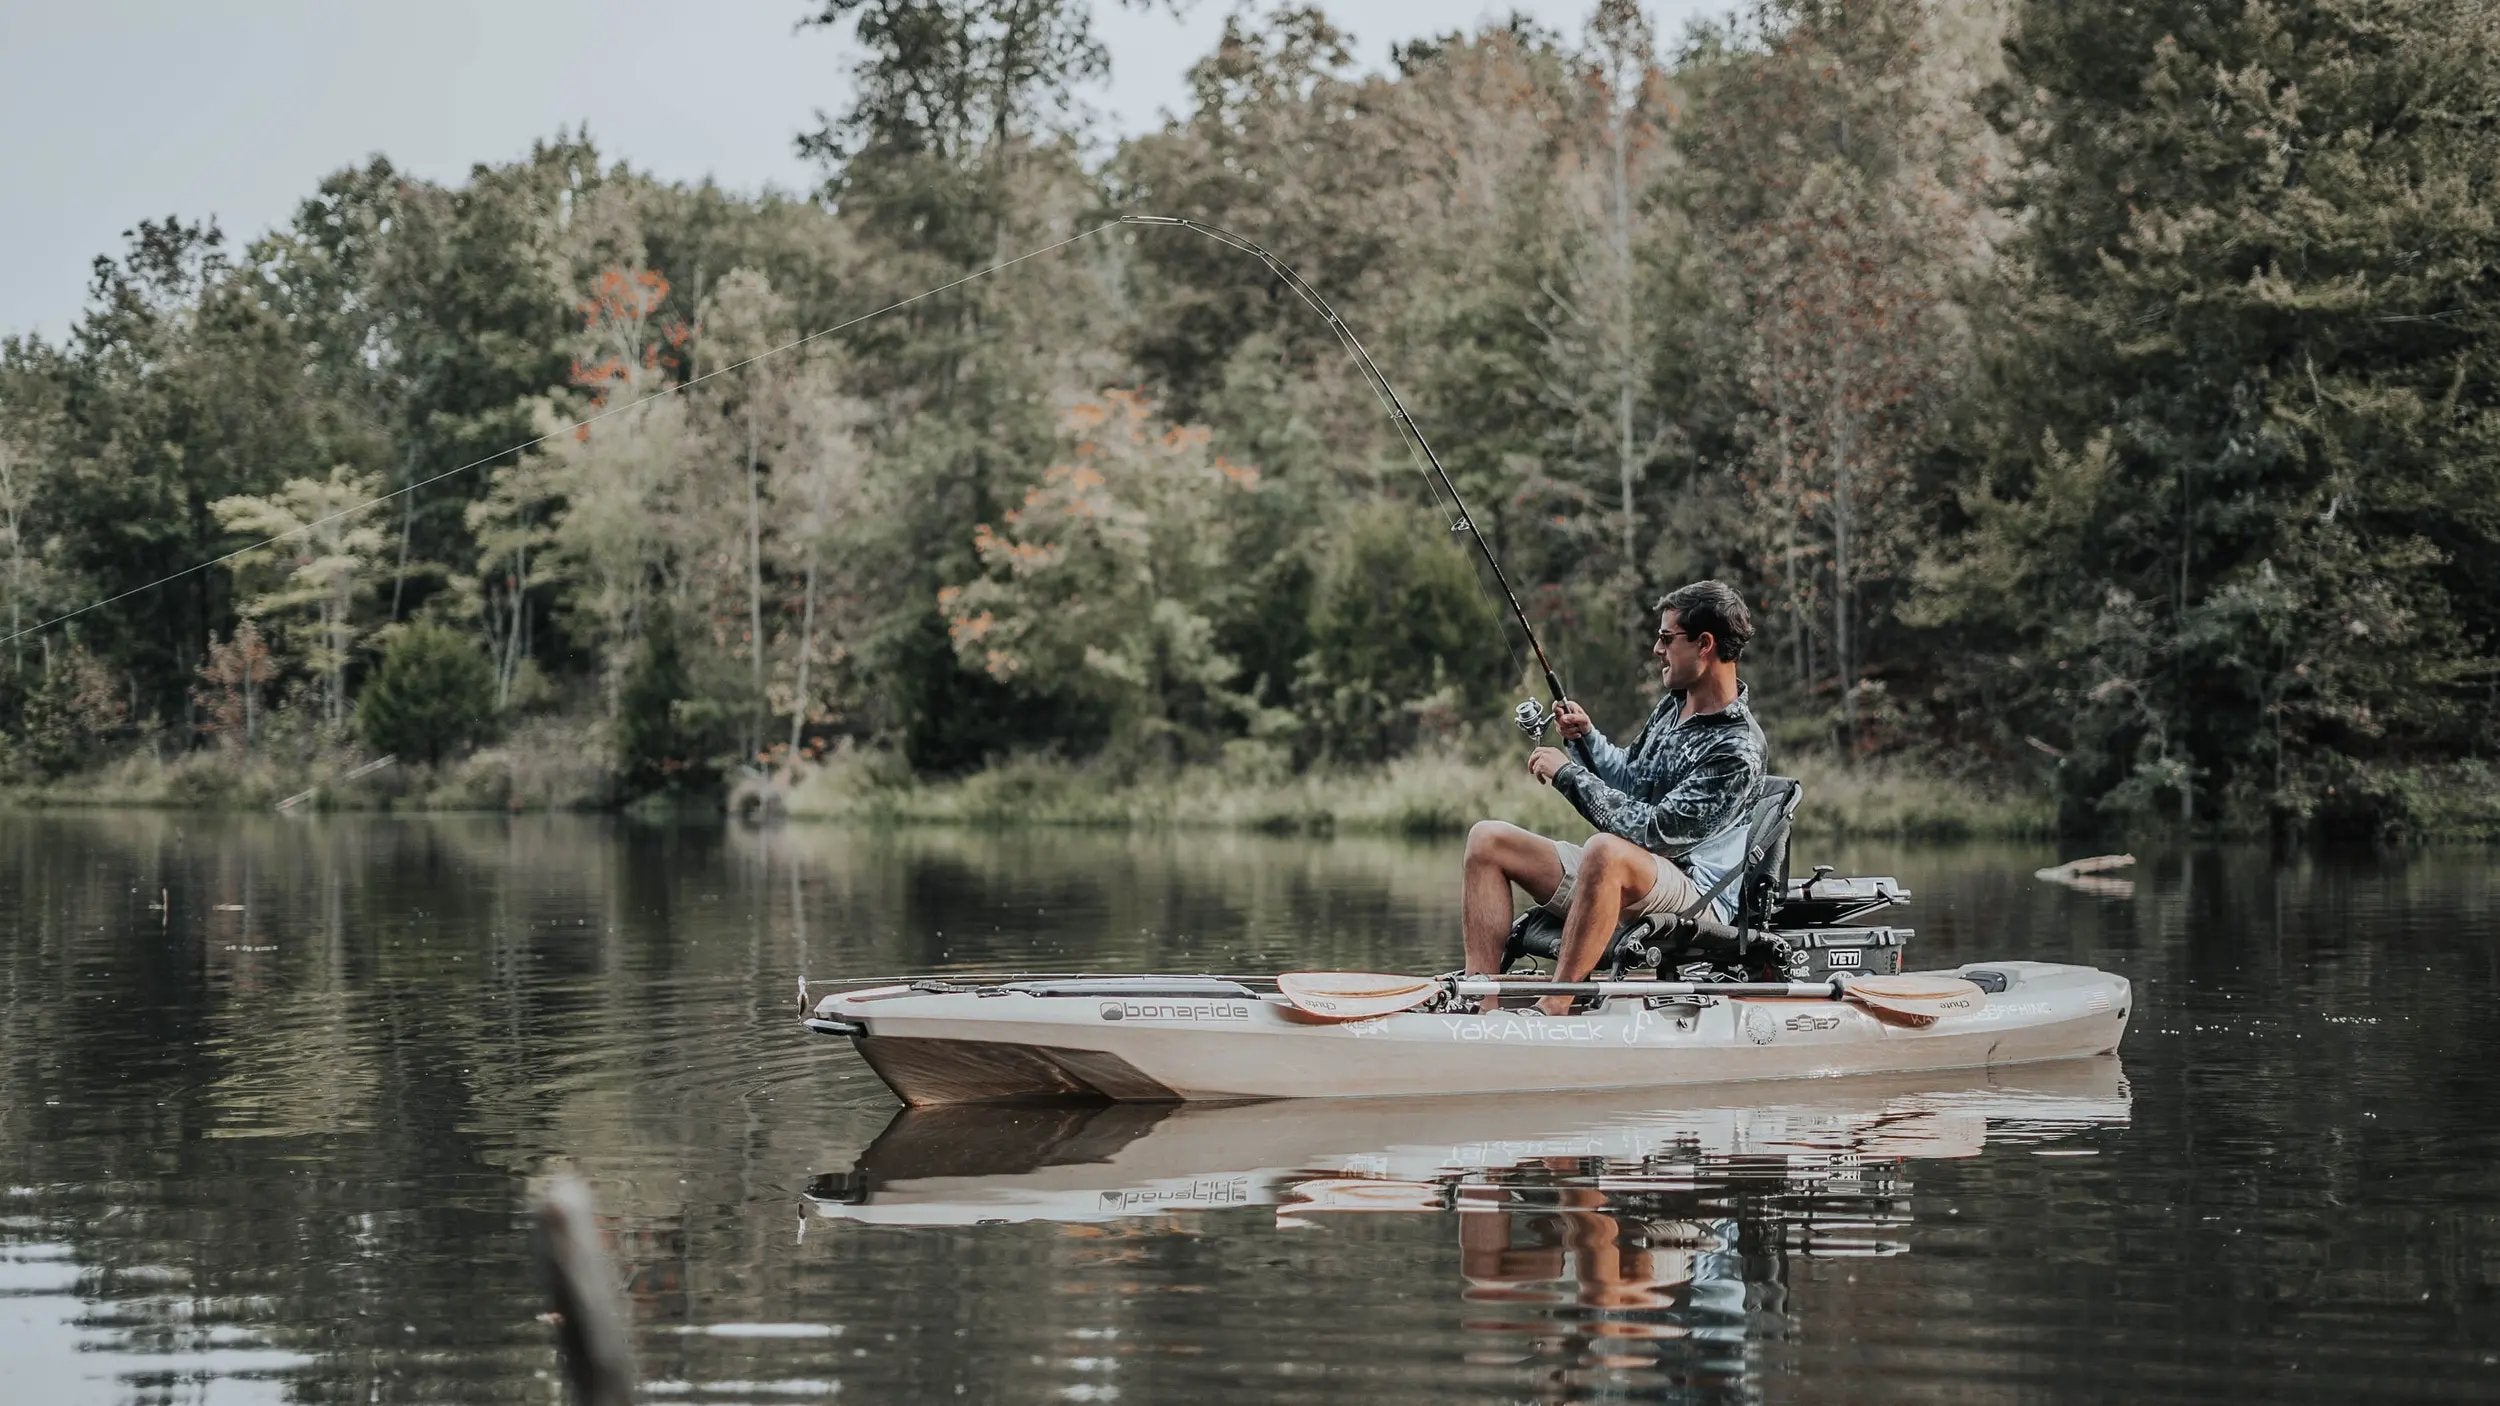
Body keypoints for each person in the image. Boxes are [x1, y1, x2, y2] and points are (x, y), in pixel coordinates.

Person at [1460, 579, 1768, 1015]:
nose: (1657, 649)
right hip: (1635, 872)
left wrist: (1568, 776)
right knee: (1487, 840)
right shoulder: (1674, 706)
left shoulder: (1737, 748)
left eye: (1667, 638)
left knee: (1605, 851)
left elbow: (1656, 832)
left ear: (1704, 644)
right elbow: (1633, 780)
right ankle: (1478, 1004)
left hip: (1699, 897)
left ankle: (1554, 1007)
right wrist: (1586, 740)